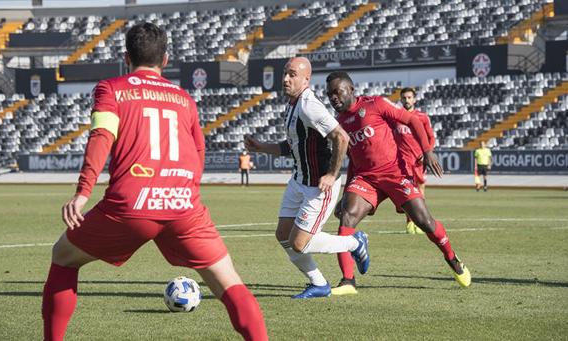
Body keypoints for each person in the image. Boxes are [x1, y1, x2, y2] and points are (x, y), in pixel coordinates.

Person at [42, 23, 267, 341]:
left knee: (62, 256)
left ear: (126, 57)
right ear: (165, 59)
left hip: (130, 204)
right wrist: (185, 193)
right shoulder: (184, 98)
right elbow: (198, 151)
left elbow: (101, 136)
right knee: (229, 282)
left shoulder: (112, 88)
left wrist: (83, 192)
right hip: (183, 206)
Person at [325, 71, 471, 296]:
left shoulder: (376, 104)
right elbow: (352, 159)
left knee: (425, 222)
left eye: (337, 92)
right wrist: (346, 192)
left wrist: (427, 151)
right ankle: (348, 281)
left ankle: (453, 259)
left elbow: (412, 119)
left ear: (351, 90)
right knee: (347, 216)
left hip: (395, 173)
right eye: (329, 94)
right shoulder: (339, 124)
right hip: (366, 178)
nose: (333, 97)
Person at [244, 57, 369, 299]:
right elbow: (292, 146)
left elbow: (341, 137)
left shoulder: (309, 105)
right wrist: (262, 147)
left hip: (318, 186)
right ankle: (319, 283)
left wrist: (332, 175)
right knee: (283, 235)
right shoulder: (292, 104)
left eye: (292, 74)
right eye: (285, 73)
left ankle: (355, 243)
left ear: (306, 79)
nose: (286, 79)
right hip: (298, 181)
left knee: (299, 242)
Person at [394, 87, 436, 234]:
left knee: (420, 191)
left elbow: (431, 137)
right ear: (401, 99)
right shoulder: (396, 117)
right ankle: (410, 222)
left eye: (409, 97)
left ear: (414, 99)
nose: (407, 100)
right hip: (402, 161)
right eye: (404, 98)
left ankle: (419, 222)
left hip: (419, 160)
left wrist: (427, 153)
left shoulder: (422, 117)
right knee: (408, 192)